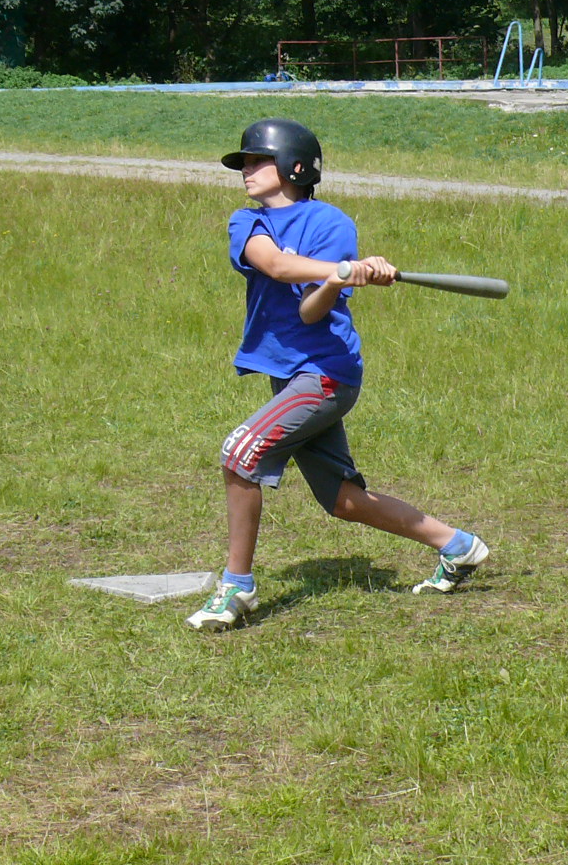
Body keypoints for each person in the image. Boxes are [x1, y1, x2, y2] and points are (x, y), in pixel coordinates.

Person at [187, 117, 489, 630]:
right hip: (290, 375)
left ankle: (237, 587)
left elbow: (312, 312)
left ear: (294, 166)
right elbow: (277, 266)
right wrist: (339, 272)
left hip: (325, 374)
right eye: (244, 162)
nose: (247, 170)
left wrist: (338, 278)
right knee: (343, 501)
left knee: (240, 454)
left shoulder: (331, 224)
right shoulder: (247, 222)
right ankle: (458, 546)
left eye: (259, 161)